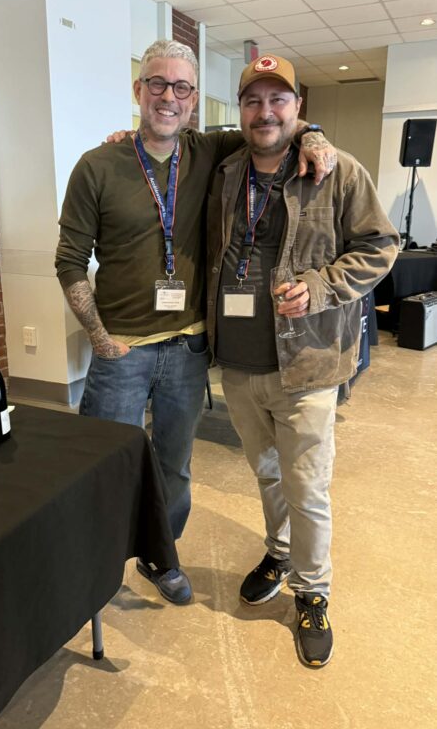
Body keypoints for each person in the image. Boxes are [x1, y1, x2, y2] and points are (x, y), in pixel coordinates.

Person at [55, 40, 336, 606]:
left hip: (187, 348)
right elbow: (69, 260)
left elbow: (273, 125)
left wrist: (315, 134)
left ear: (193, 99)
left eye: (182, 87)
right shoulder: (97, 165)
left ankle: (162, 555)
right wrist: (100, 339)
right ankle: (96, 562)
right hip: (121, 350)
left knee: (174, 466)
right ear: (138, 90)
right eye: (158, 83)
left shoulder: (208, 150)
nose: (169, 96)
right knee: (104, 462)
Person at [207, 53, 399, 665]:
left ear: (298, 107)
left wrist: (321, 286)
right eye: (253, 100)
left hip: (307, 363)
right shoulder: (225, 169)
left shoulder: (337, 171)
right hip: (237, 364)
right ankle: (280, 551)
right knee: (267, 472)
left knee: (307, 486)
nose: (265, 112)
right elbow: (170, 138)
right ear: (240, 110)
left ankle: (313, 592)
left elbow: (381, 245)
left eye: (278, 100)